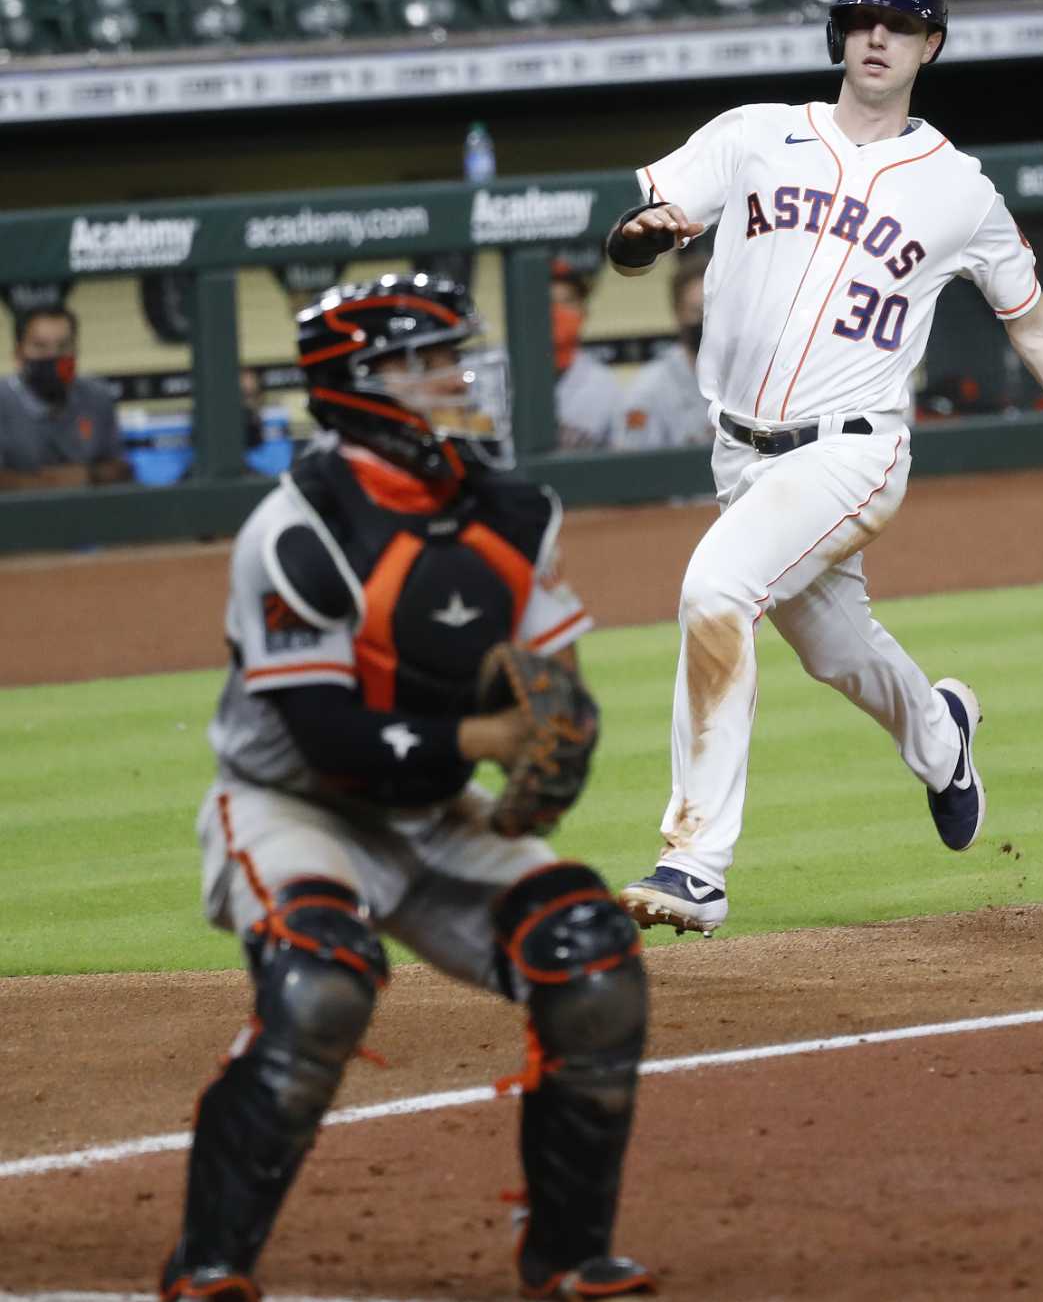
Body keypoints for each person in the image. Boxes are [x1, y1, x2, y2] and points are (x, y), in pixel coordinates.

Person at [604, 0, 1043, 935]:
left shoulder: (959, 189)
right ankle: (942, 735)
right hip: (739, 452)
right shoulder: (754, 136)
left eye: (897, 24)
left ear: (929, 44)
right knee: (835, 650)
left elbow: (1031, 323)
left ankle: (694, 861)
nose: (876, 36)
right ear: (837, 35)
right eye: (860, 19)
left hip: (853, 451)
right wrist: (641, 236)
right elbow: (652, 219)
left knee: (714, 590)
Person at [160, 274, 650, 1302]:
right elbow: (327, 731)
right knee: (321, 978)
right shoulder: (297, 528)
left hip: (432, 811)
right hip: (292, 804)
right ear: (363, 383)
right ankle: (210, 1260)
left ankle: (567, 1252)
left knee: (589, 958)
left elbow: (547, 675)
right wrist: (487, 732)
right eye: (429, 361)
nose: (456, 379)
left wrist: (559, 735)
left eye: (451, 357)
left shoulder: (509, 510)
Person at [0, 304, 133, 490]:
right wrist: (50, 484)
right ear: (18, 354)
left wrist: (89, 475)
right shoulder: (3, 401)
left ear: (76, 351)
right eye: (40, 346)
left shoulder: (96, 396)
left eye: (63, 346)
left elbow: (121, 470)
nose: (53, 355)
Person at [619, 247, 715, 449]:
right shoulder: (649, 388)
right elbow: (636, 467)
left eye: (714, 310)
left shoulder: (754, 374)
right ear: (678, 313)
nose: (707, 320)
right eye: (697, 311)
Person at [550, 261, 626, 450]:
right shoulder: (502, 375)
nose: (558, 312)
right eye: (549, 303)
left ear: (584, 311)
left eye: (568, 302)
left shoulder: (604, 384)